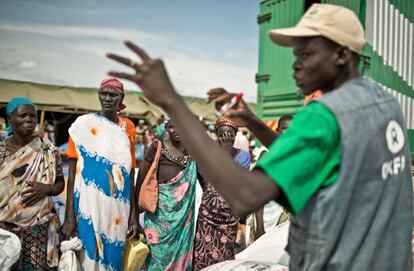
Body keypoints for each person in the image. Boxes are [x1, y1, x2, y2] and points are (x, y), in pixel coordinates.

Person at [106, 4, 413, 270]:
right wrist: (253, 121)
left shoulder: (323, 116)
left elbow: (244, 197)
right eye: (295, 54)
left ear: (342, 55)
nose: (295, 64)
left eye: (305, 54)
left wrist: (172, 100)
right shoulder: (381, 102)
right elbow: (305, 159)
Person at [61, 78, 139, 271]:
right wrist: (70, 216)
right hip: (88, 203)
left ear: (121, 98)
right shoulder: (83, 125)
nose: (107, 98)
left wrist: (134, 216)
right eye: (103, 93)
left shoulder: (127, 127)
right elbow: (72, 173)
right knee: (87, 253)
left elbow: (129, 173)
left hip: (118, 209)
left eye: (113, 95)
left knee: (113, 253)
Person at [0, 97, 64, 270]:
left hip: (39, 228)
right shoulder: (1, 151)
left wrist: (48, 189)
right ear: (10, 119)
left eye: (33, 116)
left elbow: (60, 183)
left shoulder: (47, 149)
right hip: (4, 229)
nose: (29, 119)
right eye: (23, 115)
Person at [139, 114, 197, 270]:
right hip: (158, 220)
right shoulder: (157, 148)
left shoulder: (193, 153)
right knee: (155, 261)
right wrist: (133, 217)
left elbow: (207, 183)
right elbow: (140, 182)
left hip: (183, 224)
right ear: (166, 127)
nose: (176, 130)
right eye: (172, 126)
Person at [193, 115, 250, 270]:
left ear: (235, 135)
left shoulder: (243, 156)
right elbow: (203, 178)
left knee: (224, 260)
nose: (226, 138)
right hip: (207, 216)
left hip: (228, 218)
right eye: (222, 135)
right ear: (217, 136)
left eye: (230, 135)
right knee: (202, 256)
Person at [254, 114, 292, 240]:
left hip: (284, 223)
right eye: (285, 130)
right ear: (277, 131)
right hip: (267, 222)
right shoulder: (266, 155)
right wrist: (259, 227)